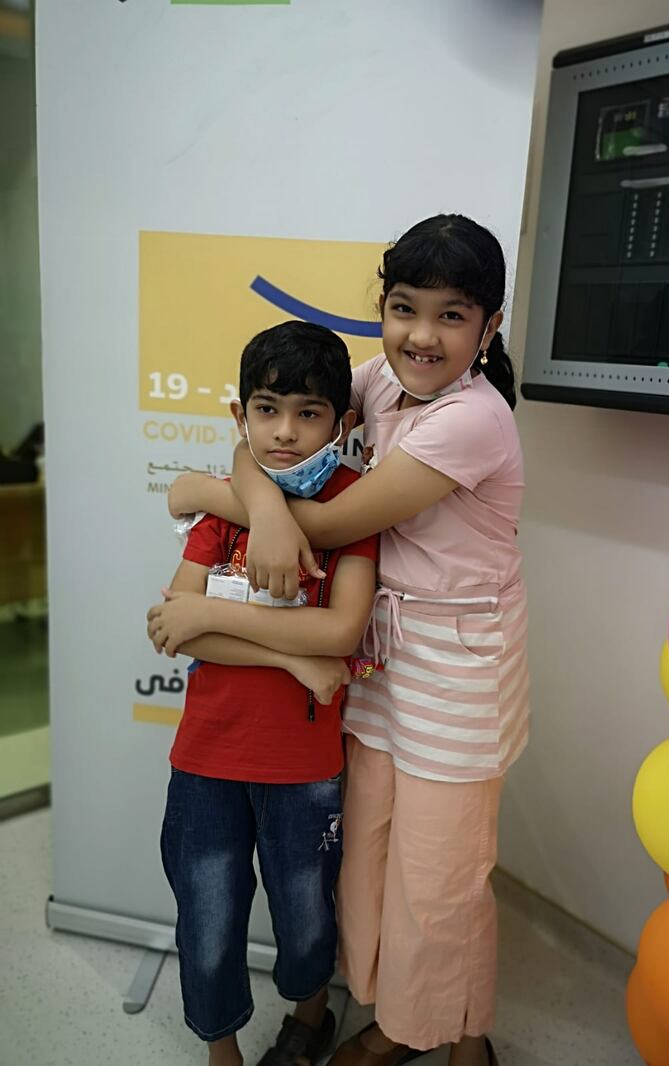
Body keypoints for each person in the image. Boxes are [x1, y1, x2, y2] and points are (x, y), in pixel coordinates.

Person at [167, 215, 530, 1066]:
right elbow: (271, 438)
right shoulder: (379, 380)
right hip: (375, 658)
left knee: (441, 874)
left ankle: (451, 1034)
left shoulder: (472, 419)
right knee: (365, 859)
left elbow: (328, 516)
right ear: (383, 308)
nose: (422, 335)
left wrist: (210, 493)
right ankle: (401, 1017)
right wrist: (251, 499)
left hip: (458, 671)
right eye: (406, 308)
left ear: (489, 329)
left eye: (452, 315)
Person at [146, 321, 379, 1066]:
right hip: (207, 760)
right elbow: (174, 629)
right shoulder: (224, 508)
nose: (285, 432)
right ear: (241, 415)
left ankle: (310, 1019)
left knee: (308, 916)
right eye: (268, 409)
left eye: (309, 412)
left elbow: (340, 632)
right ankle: (223, 1050)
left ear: (342, 423)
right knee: (207, 918)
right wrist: (289, 661)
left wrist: (216, 614)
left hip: (305, 770)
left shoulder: (352, 507)